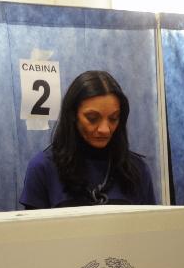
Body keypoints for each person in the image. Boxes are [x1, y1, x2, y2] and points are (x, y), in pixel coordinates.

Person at [20, 70, 155, 208]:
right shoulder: (43, 168)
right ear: (72, 115)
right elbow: (33, 229)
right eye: (92, 118)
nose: (105, 129)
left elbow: (151, 227)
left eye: (113, 118)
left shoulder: (137, 170)